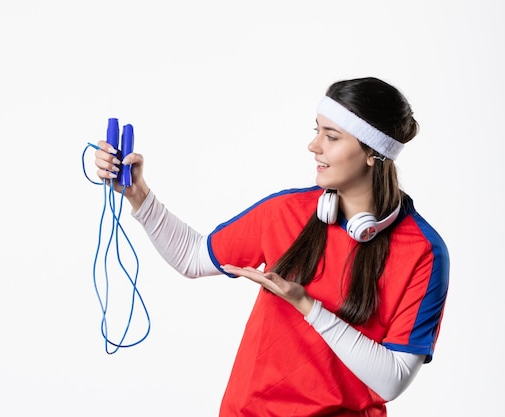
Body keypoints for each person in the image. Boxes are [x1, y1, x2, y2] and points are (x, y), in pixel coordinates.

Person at [93, 77, 450, 417]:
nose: (314, 146)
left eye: (331, 136)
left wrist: (306, 305)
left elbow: (392, 379)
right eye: (317, 131)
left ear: (373, 151)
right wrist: (138, 195)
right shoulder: (286, 211)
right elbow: (192, 256)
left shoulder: (424, 252)